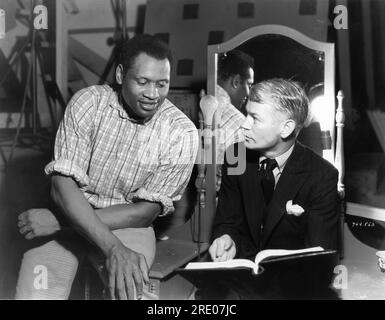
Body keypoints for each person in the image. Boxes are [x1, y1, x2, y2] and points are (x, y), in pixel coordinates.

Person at [15, 34, 199, 300]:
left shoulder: (181, 132)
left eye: (162, 84)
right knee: (36, 291)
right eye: (143, 82)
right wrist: (112, 247)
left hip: (125, 226)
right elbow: (61, 186)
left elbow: (143, 213)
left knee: (130, 291)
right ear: (121, 75)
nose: (152, 94)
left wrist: (58, 223)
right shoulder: (88, 102)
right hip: (72, 208)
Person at [206, 78, 339, 299]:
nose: (244, 124)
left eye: (255, 118)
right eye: (246, 113)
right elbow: (227, 220)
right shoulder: (235, 156)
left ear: (286, 128)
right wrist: (225, 237)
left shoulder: (322, 175)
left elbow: (319, 260)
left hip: (293, 287)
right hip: (241, 279)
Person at [215, 50, 254, 190]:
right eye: (249, 85)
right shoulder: (239, 123)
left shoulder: (201, 102)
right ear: (236, 82)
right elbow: (234, 184)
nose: (249, 93)